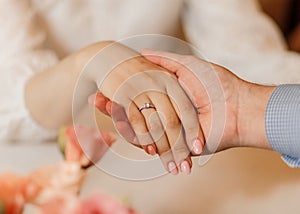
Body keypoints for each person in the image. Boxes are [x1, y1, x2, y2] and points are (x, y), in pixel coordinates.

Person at [1, 0, 300, 174]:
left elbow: (254, 60)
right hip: (41, 165)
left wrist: (256, 109)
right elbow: (10, 103)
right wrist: (89, 62)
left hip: (171, 153)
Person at [93, 49, 300, 170]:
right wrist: (91, 58)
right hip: (103, 136)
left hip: (186, 112)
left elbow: (241, 44)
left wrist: (238, 107)